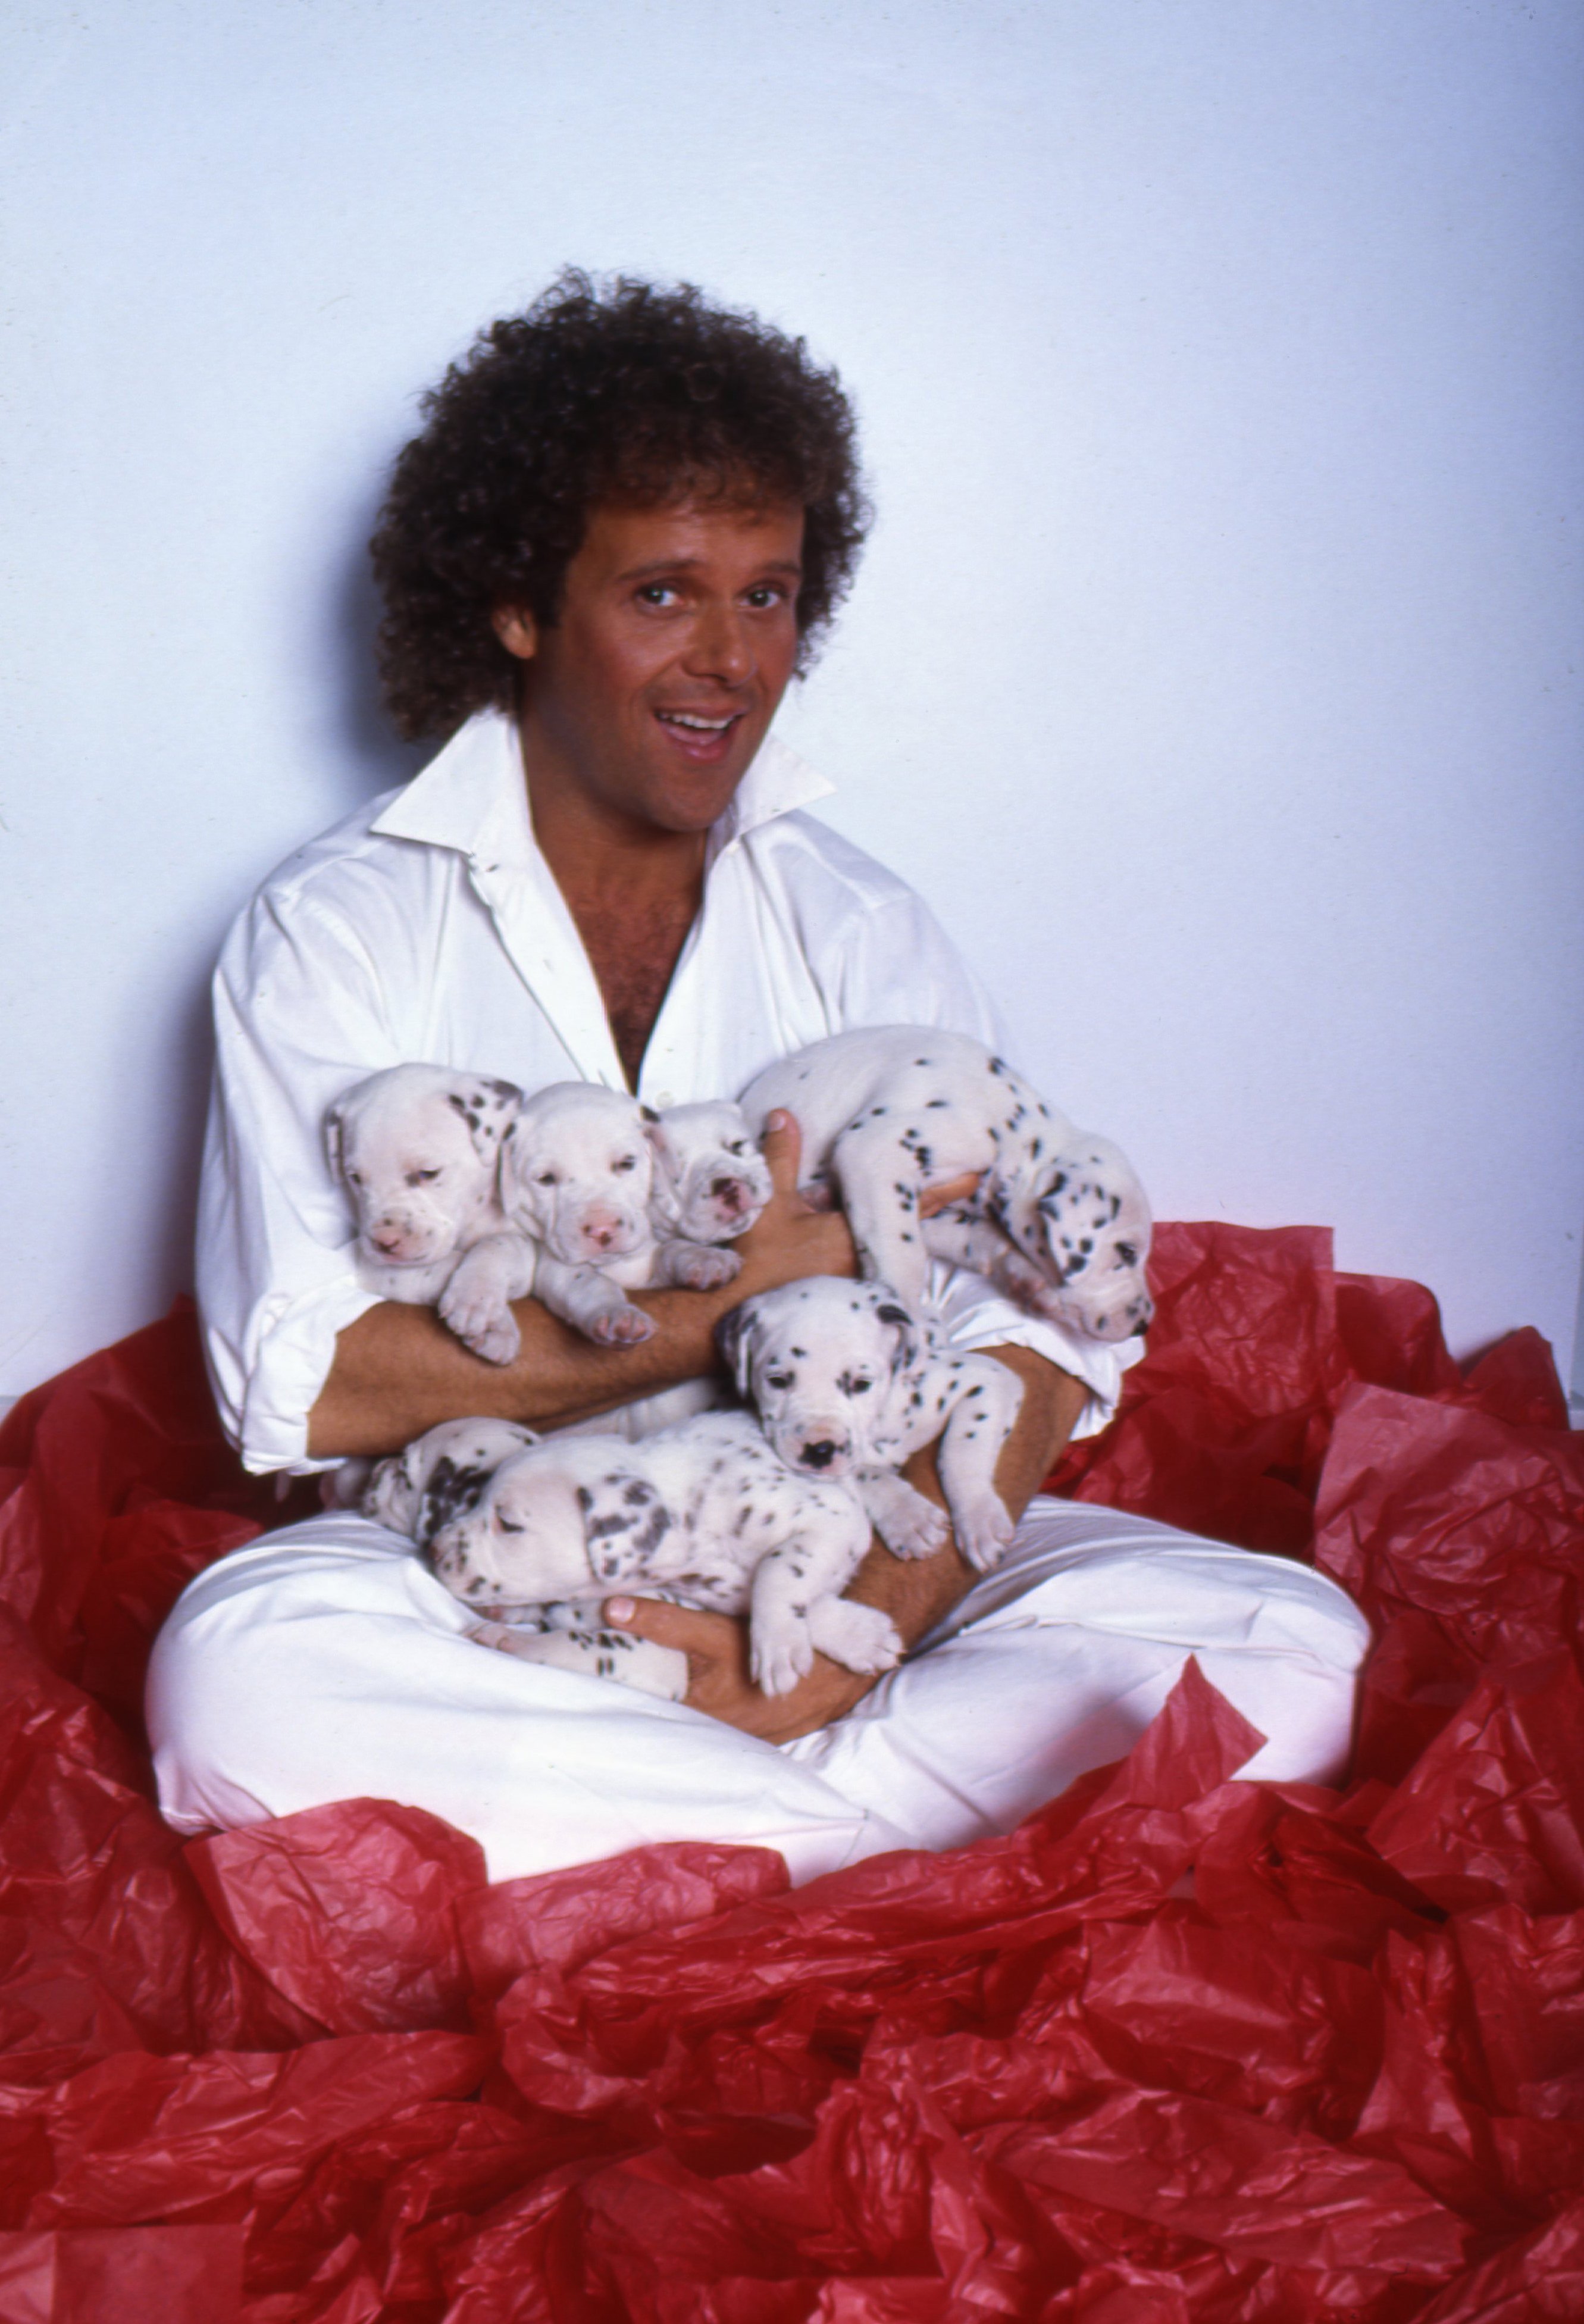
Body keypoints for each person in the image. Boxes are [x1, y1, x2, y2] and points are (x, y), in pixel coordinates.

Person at [147, 274, 1369, 1884]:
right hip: (491, 1560)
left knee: (1293, 1646)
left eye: (770, 596)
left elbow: (1015, 1337)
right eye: (662, 594)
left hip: (843, 1540)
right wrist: (775, 1274)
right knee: (237, 1678)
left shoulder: (859, 918)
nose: (727, 658)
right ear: (518, 603)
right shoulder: (334, 929)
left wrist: (848, 1635)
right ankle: (847, 1833)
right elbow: (315, 1384)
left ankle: (694, 1820)